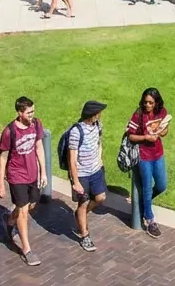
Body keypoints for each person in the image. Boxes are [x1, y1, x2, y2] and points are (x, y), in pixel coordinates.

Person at [0, 95, 47, 266]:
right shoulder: (9, 131)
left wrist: (43, 172)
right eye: (29, 113)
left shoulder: (36, 124)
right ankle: (27, 250)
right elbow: (3, 157)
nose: (32, 115)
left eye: (33, 111)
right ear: (20, 113)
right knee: (23, 211)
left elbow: (39, 147)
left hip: (32, 174)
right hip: (16, 175)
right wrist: (0, 184)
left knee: (31, 206)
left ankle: (10, 220)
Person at [126, 88, 170, 238]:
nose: (147, 105)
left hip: (158, 154)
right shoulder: (138, 114)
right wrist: (145, 137)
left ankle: (145, 204)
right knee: (146, 187)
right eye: (145, 102)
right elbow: (131, 136)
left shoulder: (161, 112)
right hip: (143, 156)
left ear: (156, 102)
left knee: (162, 185)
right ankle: (150, 220)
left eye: (151, 102)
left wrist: (160, 132)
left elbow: (165, 131)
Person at [67, 100, 107, 252]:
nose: (100, 115)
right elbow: (72, 159)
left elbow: (99, 142)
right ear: (92, 114)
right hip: (82, 174)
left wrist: (99, 159)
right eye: (98, 112)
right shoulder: (76, 132)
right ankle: (85, 235)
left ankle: (79, 215)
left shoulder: (97, 125)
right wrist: (75, 181)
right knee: (83, 203)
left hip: (96, 170)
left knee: (100, 197)